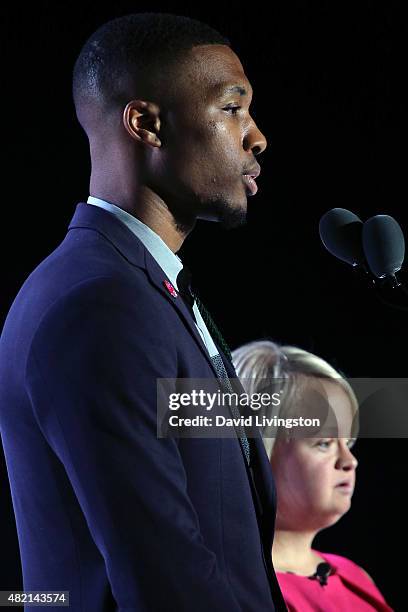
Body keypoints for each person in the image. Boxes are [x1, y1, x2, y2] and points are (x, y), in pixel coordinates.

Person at [0, 13, 287, 612]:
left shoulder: (144, 288)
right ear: (147, 124)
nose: (256, 137)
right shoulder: (98, 307)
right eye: (233, 109)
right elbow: (166, 576)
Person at [232, 340, 393, 611]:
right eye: (324, 443)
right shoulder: (237, 592)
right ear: (259, 453)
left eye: (348, 443)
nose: (349, 461)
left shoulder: (354, 577)